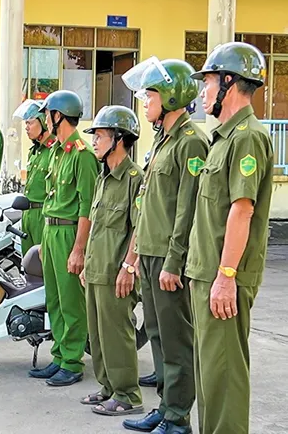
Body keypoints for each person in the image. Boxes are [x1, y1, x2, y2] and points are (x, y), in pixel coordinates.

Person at [186, 42, 273, 434]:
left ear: (228, 82)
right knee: (209, 379)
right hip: (205, 271)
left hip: (223, 276)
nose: (203, 92)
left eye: (207, 83)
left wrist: (226, 275)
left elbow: (242, 209)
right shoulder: (223, 137)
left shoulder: (247, 137)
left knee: (224, 377)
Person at [120, 57, 207, 434]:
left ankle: (177, 417)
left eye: (150, 93)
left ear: (172, 95)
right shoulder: (162, 141)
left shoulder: (191, 143)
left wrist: (173, 261)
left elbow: (187, 211)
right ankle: (165, 405)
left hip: (170, 258)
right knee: (156, 336)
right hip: (151, 253)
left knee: (176, 342)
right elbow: (147, 203)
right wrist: (137, 254)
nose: (144, 99)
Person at [29, 90, 99, 387]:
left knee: (72, 301)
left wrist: (79, 249)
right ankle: (58, 356)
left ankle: (72, 361)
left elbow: (87, 206)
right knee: (54, 299)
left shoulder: (82, 155)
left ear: (59, 116)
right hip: (50, 230)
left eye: (48, 114)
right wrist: (45, 242)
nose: (45, 119)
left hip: (70, 232)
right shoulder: (57, 151)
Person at [79, 106, 145, 416]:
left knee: (118, 334)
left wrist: (129, 266)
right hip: (97, 268)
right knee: (98, 334)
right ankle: (108, 387)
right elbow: (96, 224)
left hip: (117, 271)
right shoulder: (103, 177)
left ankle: (128, 395)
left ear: (118, 139)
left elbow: (139, 227)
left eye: (100, 136)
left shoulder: (134, 178)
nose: (94, 141)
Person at [12, 99, 56, 257]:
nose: (26, 128)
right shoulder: (34, 151)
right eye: (26, 124)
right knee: (28, 263)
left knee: (42, 263)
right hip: (28, 214)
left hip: (41, 214)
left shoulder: (53, 151)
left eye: (30, 123)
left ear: (43, 122)